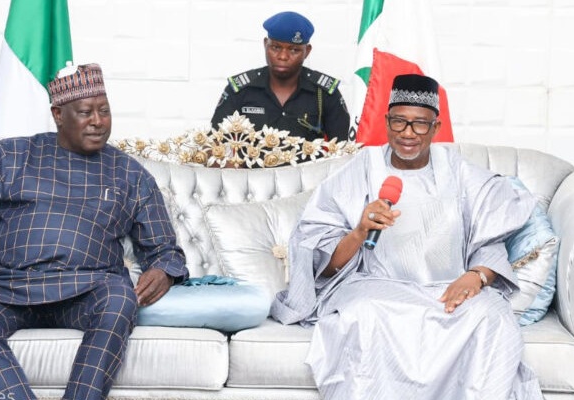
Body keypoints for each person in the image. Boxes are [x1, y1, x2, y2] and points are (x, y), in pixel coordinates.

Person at [0, 63, 188, 400]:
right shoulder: (11, 157)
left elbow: (165, 249)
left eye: (105, 111)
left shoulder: (129, 174)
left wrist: (163, 271)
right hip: (9, 287)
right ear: (58, 114)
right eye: (85, 112)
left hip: (89, 288)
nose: (98, 121)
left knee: (120, 300)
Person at [271, 74, 544, 399]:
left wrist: (477, 275)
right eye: (399, 122)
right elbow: (322, 264)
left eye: (419, 124)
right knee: (363, 314)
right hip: (375, 286)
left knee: (493, 316)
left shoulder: (460, 173)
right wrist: (359, 231)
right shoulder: (360, 171)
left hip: (446, 290)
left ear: (436, 127)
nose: (408, 134)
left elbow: (491, 233)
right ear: (386, 122)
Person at [210, 11, 351, 144]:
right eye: (276, 47)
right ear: (265, 44)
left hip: (310, 170)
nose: (283, 56)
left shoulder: (324, 93)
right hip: (251, 170)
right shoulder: (240, 90)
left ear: (306, 51)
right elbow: (215, 144)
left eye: (294, 50)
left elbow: (342, 151)